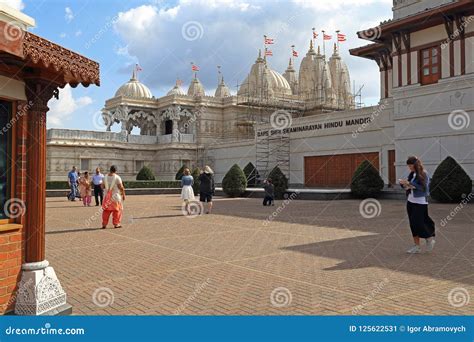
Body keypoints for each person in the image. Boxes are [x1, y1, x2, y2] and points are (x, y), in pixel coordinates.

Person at [399, 156, 435, 254]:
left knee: (418, 223)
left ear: (416, 164)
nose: (410, 168)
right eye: (409, 166)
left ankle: (429, 238)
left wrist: (410, 183)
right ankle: (417, 246)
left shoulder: (424, 174)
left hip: (420, 202)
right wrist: (404, 184)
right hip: (410, 201)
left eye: (411, 165)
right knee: (412, 224)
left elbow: (424, 189)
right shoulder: (412, 174)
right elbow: (410, 185)